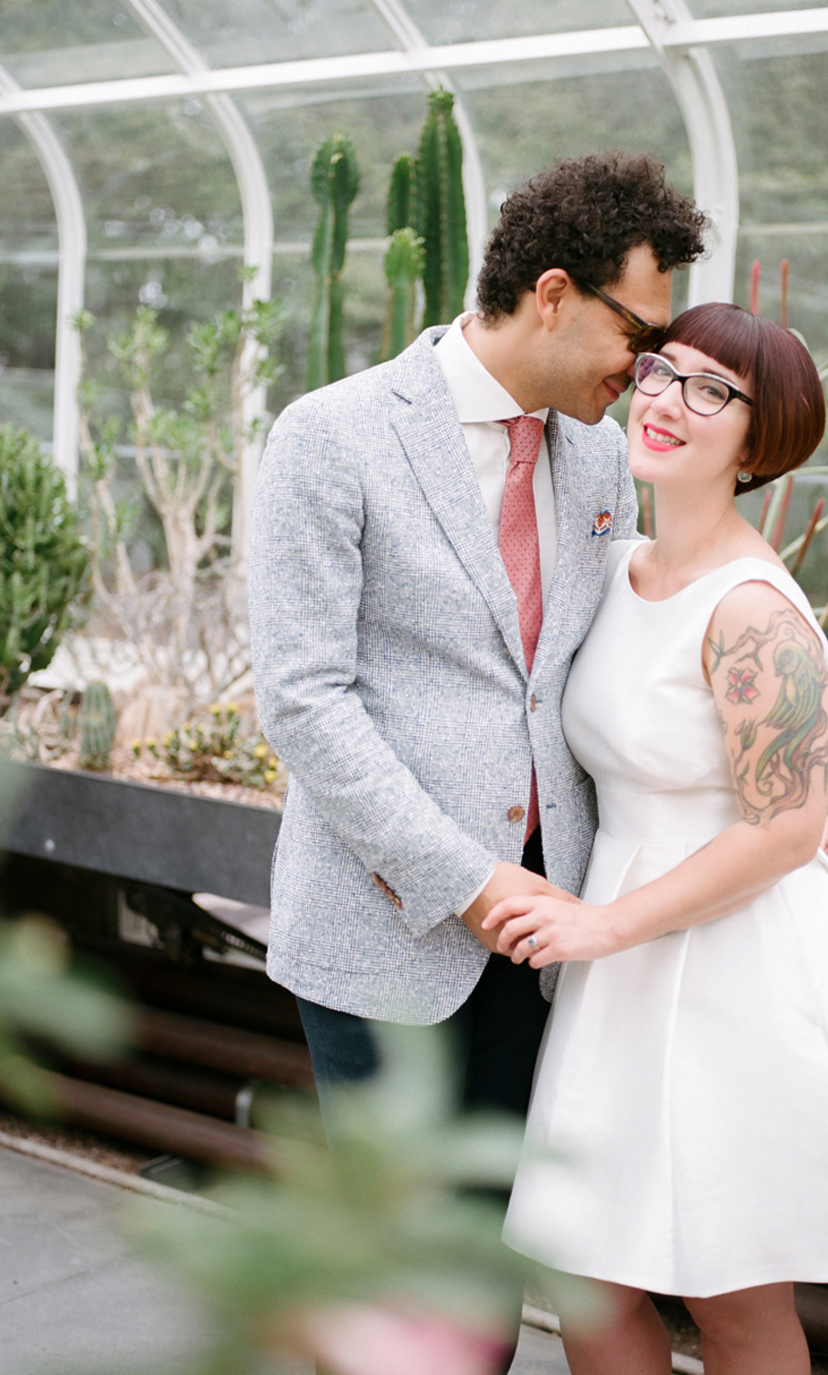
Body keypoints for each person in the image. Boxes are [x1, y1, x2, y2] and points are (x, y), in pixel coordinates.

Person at [248, 152, 705, 1365]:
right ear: (552, 292)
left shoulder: (599, 455)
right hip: (386, 924)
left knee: (497, 1259)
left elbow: (590, 663)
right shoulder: (330, 436)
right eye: (638, 334)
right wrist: (472, 879)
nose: (645, 370)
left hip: (551, 927)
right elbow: (303, 700)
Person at [481, 302, 828, 1374]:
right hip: (616, 955)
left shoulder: (753, 611)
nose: (667, 401)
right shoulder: (615, 569)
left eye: (714, 391)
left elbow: (790, 829)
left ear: (760, 437)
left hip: (728, 962)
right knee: (584, 1273)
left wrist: (604, 925)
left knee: (730, 1290)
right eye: (661, 371)